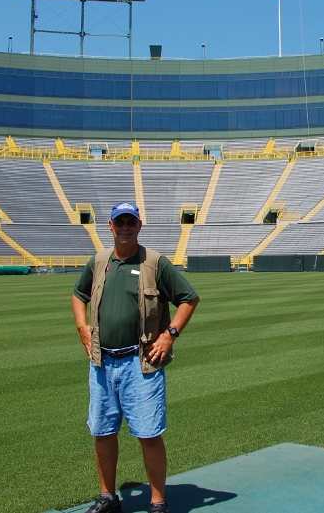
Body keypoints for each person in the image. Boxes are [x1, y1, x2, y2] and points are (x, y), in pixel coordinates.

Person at [72, 202, 200, 513]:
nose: (125, 227)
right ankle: (107, 497)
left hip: (140, 363)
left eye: (131, 222)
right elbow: (79, 295)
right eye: (120, 222)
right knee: (102, 432)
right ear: (111, 226)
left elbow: (189, 298)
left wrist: (169, 334)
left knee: (148, 434)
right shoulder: (99, 261)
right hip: (102, 362)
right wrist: (82, 327)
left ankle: (157, 502)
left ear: (139, 226)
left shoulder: (155, 263)